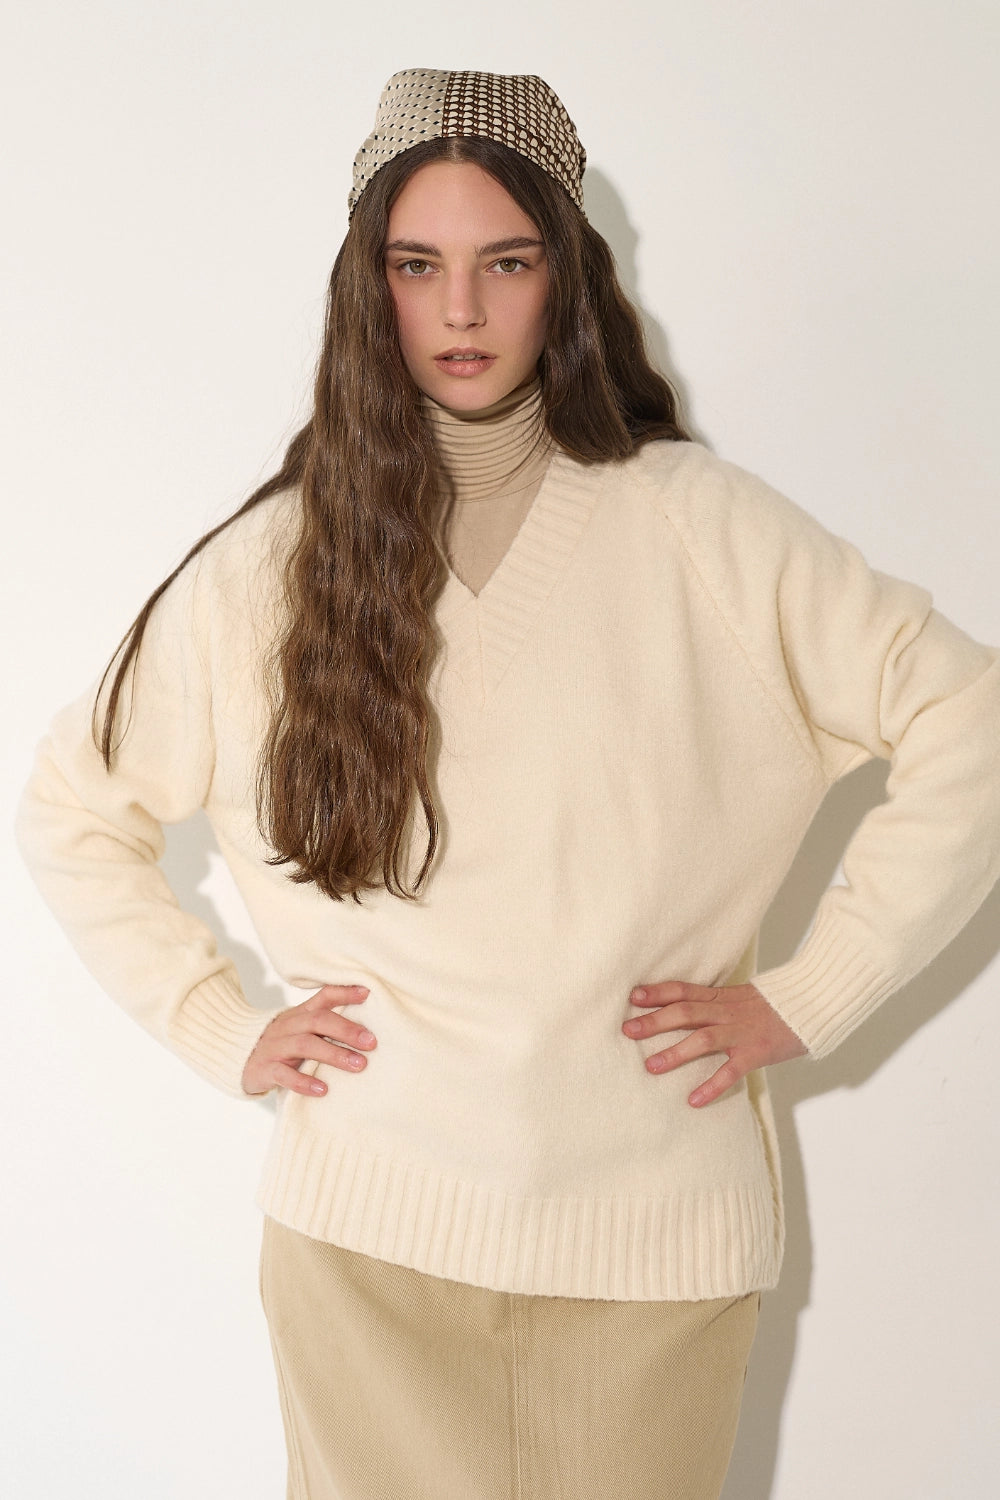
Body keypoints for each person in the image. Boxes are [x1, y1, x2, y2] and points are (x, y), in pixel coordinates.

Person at [15, 66, 1000, 1500]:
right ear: (369, 287)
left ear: (568, 278)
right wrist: (219, 1025)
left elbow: (972, 716)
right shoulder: (271, 564)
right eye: (417, 266)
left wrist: (812, 993)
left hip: (654, 1252)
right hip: (367, 1251)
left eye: (508, 263)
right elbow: (72, 807)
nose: (462, 310)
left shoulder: (703, 528)